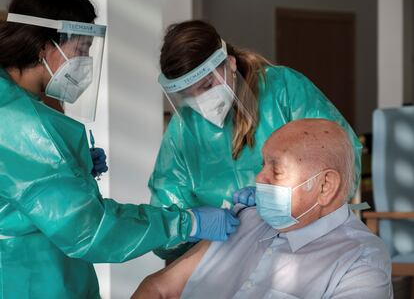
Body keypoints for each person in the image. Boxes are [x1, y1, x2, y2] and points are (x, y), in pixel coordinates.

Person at [0, 0, 239, 297]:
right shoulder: (22, 124)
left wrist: (68, 171)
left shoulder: (14, 104)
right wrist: (186, 222)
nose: (85, 61)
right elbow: (89, 229)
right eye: (81, 48)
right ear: (47, 45)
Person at [149, 20, 363, 260]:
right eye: (189, 95)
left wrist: (283, 203)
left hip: (302, 250)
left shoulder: (283, 90)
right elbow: (164, 221)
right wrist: (191, 225)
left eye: (207, 85)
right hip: (225, 259)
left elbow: (343, 160)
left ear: (230, 63)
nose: (200, 101)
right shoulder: (183, 130)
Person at [133, 119, 393, 299]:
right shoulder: (244, 218)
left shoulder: (359, 261)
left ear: (325, 186)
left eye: (276, 170)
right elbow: (158, 288)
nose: (259, 179)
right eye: (262, 165)